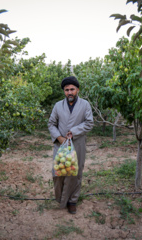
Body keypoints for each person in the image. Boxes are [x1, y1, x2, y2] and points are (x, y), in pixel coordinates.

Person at [48, 76, 94, 214]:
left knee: (75, 173)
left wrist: (73, 132)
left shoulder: (85, 105)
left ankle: (72, 200)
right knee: (58, 172)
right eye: (67, 90)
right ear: (64, 91)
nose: (69, 92)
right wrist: (59, 137)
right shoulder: (58, 106)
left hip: (77, 144)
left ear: (77, 90)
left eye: (72, 89)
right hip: (61, 144)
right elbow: (51, 124)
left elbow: (89, 123)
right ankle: (61, 198)